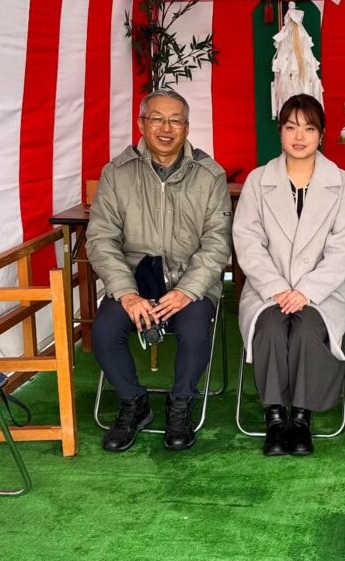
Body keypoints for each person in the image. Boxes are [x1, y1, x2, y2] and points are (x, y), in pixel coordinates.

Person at [86, 89, 231, 452]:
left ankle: (180, 403)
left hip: (189, 281)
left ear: (186, 126)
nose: (166, 129)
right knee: (104, 332)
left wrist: (187, 291)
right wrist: (127, 293)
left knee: (196, 330)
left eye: (176, 120)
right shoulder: (116, 174)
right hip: (134, 280)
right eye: (157, 119)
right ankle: (134, 403)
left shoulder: (210, 175)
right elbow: (100, 239)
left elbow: (217, 244)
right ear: (141, 124)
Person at [234, 95, 345, 456]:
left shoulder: (342, 184)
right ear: (281, 133)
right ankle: (275, 418)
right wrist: (276, 289)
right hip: (266, 289)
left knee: (307, 328)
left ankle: (301, 419)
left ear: (322, 135)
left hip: (324, 290)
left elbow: (342, 250)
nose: (299, 136)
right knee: (271, 326)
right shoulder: (258, 181)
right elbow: (247, 242)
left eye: (309, 127)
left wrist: (305, 291)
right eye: (291, 127)